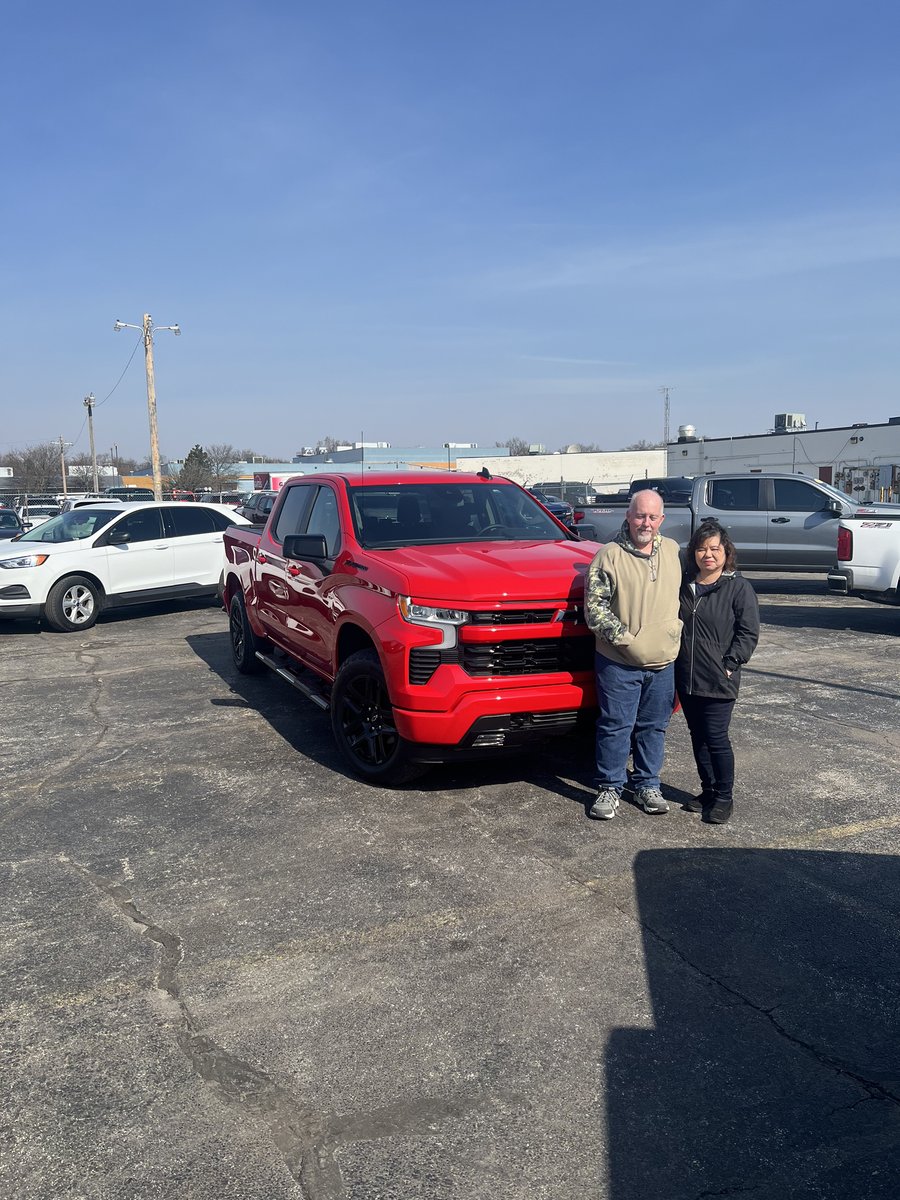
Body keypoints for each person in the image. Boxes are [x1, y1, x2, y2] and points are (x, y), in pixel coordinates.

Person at [584, 489, 683, 820]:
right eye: (640, 515)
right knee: (616, 726)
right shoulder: (608, 556)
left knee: (654, 727)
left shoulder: (672, 551)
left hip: (663, 662)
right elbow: (595, 610)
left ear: (662, 520)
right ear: (628, 516)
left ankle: (647, 785)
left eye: (653, 517)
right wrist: (627, 641)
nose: (646, 523)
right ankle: (610, 787)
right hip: (619, 662)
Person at [675, 520, 760, 824]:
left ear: (726, 552)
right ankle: (708, 790)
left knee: (716, 737)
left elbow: (748, 632)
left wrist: (731, 663)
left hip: (718, 677)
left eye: (714, 548)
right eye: (701, 549)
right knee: (697, 736)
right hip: (687, 676)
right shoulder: (685, 584)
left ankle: (724, 797)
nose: (708, 554)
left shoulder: (738, 587)